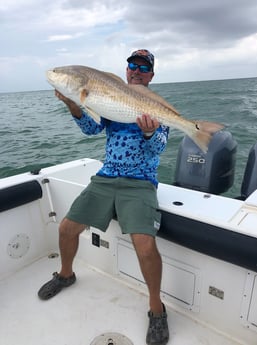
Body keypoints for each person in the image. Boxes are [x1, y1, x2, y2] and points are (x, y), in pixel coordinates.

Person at [38, 49, 169, 345]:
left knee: (145, 246)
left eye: (142, 68)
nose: (135, 70)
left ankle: (156, 309)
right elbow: (91, 129)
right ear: (126, 71)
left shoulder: (155, 106)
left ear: (150, 75)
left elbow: (158, 148)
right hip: (106, 177)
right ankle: (66, 274)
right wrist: (74, 106)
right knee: (66, 228)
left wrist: (149, 134)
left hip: (139, 183)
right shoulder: (111, 96)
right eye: (131, 66)